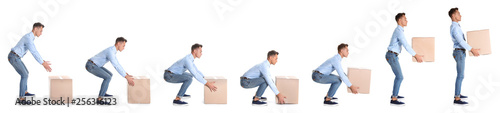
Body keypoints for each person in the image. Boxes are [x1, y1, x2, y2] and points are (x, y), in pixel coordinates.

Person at [8, 22, 52, 104]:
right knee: (24, 75)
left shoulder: (30, 38)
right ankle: (21, 99)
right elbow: (34, 52)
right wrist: (43, 63)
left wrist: (43, 61)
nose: (41, 33)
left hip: (16, 57)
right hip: (14, 57)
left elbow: (34, 51)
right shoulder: (28, 38)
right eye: (41, 31)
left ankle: (25, 92)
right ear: (35, 29)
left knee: (26, 73)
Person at [386, 13, 424, 106]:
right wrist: (416, 55)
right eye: (405, 19)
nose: (407, 20)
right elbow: (406, 45)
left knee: (399, 76)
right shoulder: (399, 31)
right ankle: (394, 98)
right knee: (399, 77)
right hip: (391, 55)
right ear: (399, 20)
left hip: (393, 55)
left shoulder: (400, 31)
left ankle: (395, 95)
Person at [85, 37, 135, 105]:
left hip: (95, 65)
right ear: (118, 43)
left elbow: (117, 63)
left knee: (110, 75)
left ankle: (103, 92)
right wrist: (126, 77)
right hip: (91, 65)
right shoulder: (110, 51)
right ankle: (99, 99)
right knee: (107, 77)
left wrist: (126, 73)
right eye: (123, 45)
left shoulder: (113, 51)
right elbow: (116, 65)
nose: (124, 48)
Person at [448, 7, 480, 105]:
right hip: (459, 52)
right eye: (458, 13)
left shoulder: (456, 26)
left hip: (460, 52)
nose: (460, 15)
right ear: (453, 16)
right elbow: (461, 41)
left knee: (461, 75)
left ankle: (458, 93)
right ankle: (456, 98)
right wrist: (472, 49)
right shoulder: (455, 27)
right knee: (460, 75)